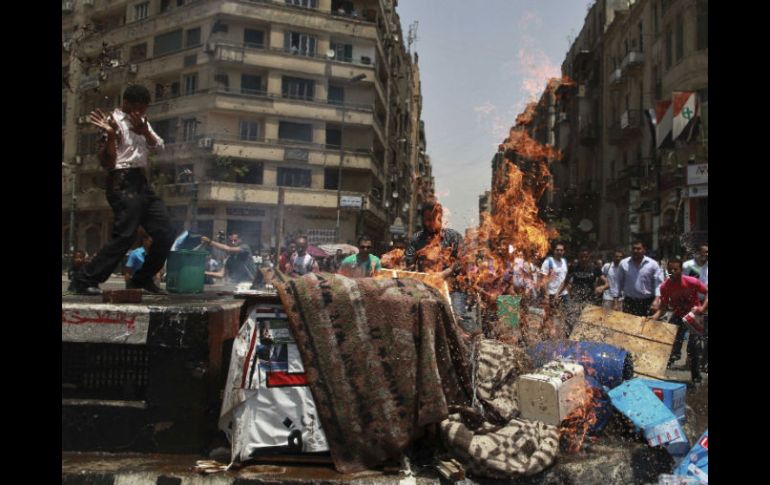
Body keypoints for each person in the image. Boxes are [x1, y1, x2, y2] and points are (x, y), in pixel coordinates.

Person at [68, 84, 174, 295]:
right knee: (125, 235)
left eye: (145, 109)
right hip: (122, 181)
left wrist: (146, 132)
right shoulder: (111, 122)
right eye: (138, 108)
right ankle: (83, 280)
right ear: (127, 104)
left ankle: (142, 279)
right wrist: (110, 135)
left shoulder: (142, 122)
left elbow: (159, 146)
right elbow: (107, 163)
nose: (142, 112)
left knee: (165, 231)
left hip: (142, 183)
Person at [648, 258, 709, 384]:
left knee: (693, 347)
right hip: (678, 315)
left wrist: (702, 308)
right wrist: (654, 317)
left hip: (693, 316)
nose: (672, 271)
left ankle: (696, 378)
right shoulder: (665, 287)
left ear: (681, 270)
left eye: (675, 269)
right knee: (666, 340)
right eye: (670, 269)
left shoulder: (691, 281)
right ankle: (661, 370)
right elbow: (663, 308)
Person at [405, 200, 465, 317]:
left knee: (457, 318)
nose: (429, 224)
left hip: (452, 290)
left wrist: (446, 273)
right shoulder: (416, 239)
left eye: (432, 219)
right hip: (425, 288)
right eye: (426, 220)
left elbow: (463, 261)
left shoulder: (453, 236)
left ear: (440, 218)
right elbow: (408, 264)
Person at [617, 240, 664, 317]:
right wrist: (617, 301)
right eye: (633, 248)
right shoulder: (623, 263)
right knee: (628, 327)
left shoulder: (653, 264)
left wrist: (656, 300)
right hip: (629, 302)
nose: (635, 251)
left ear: (644, 250)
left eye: (638, 249)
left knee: (646, 327)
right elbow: (619, 283)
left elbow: (658, 284)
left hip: (647, 303)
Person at [564, 248, 602, 336]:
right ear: (578, 257)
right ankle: (569, 341)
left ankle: (585, 342)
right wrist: (558, 293)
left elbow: (607, 283)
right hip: (576, 301)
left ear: (589, 257)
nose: (583, 259)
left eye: (586, 256)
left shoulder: (595, 268)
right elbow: (565, 282)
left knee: (587, 324)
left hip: (589, 302)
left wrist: (601, 287)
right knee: (570, 322)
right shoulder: (573, 267)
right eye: (581, 257)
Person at [683, 244, 708, 371]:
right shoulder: (687, 265)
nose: (706, 254)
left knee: (706, 334)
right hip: (691, 303)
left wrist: (703, 307)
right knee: (694, 333)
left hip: (706, 302)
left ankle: (704, 363)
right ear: (698, 252)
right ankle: (690, 359)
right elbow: (674, 277)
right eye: (704, 252)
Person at [540, 242, 570, 318]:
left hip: (563, 294)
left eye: (561, 250)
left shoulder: (564, 261)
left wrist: (559, 293)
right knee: (551, 318)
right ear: (554, 251)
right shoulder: (548, 261)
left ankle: (564, 330)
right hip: (551, 295)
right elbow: (543, 280)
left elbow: (565, 278)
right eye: (557, 250)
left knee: (567, 317)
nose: (559, 252)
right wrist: (546, 296)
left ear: (563, 251)